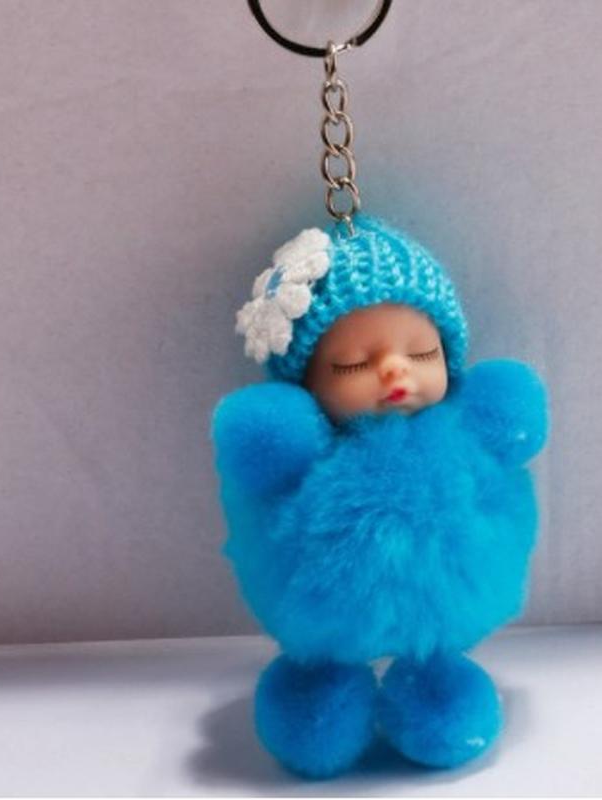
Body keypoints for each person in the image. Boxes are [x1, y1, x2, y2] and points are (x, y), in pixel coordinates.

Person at [211, 214, 548, 778]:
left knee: (441, 686)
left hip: (446, 604)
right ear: (307, 387)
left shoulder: (466, 435)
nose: (394, 370)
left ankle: (436, 686)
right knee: (316, 710)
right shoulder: (300, 449)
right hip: (326, 616)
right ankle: (320, 687)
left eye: (422, 354)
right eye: (353, 363)